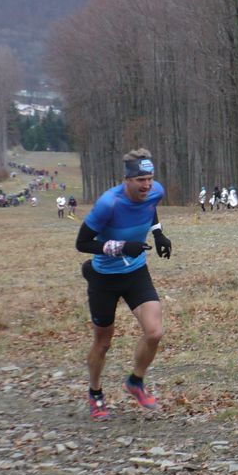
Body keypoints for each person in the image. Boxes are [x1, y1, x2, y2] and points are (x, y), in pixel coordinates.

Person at [74, 149, 172, 421]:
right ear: (126, 180)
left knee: (154, 332)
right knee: (103, 342)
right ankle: (95, 392)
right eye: (140, 180)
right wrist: (120, 247)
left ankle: (135, 381)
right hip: (104, 277)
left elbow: (150, 208)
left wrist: (158, 234)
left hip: (136, 272)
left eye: (150, 178)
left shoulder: (155, 191)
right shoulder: (109, 204)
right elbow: (82, 243)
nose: (147, 185)